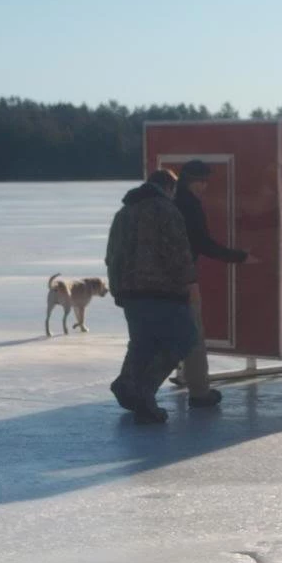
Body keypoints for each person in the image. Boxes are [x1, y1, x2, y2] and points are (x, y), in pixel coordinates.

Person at [105, 169, 199, 423]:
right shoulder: (166, 211)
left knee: (142, 343)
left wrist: (117, 289)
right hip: (162, 291)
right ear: (169, 187)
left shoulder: (123, 214)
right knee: (183, 338)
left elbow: (112, 255)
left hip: (130, 292)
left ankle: (126, 384)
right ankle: (145, 392)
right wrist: (189, 282)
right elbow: (178, 251)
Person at [170, 159, 259, 405]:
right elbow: (203, 244)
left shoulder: (169, 203)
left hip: (159, 280)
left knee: (161, 336)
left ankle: (138, 388)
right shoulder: (190, 206)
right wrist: (240, 257)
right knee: (194, 336)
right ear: (192, 181)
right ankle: (200, 392)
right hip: (184, 279)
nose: (205, 187)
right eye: (203, 181)